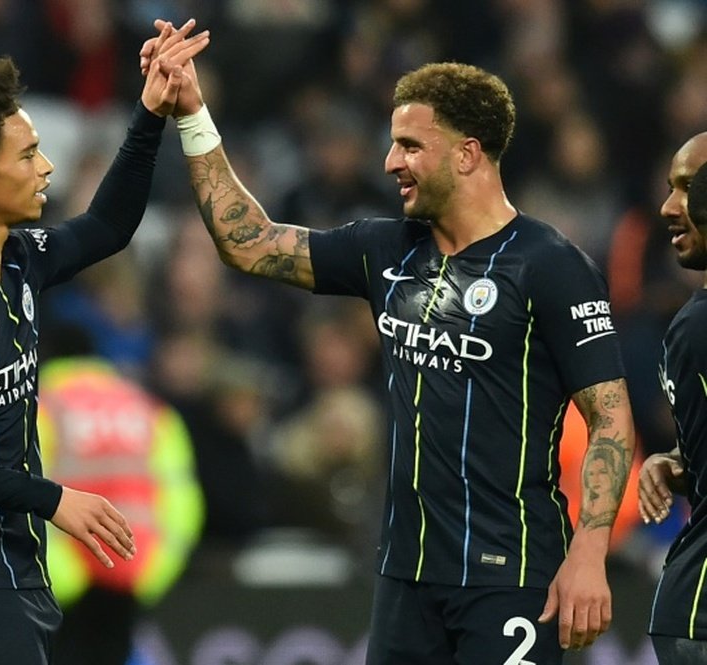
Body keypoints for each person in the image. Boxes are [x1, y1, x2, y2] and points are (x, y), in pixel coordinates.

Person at [142, 30, 636, 663]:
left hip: (509, 576)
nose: (389, 162)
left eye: (409, 146)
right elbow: (250, 242)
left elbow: (611, 416)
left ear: (467, 154)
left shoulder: (551, 266)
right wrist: (192, 115)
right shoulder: (387, 248)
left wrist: (589, 554)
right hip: (405, 576)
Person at [0, 22, 209, 665]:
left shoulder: (21, 261)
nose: (46, 166)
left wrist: (149, 113)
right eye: (27, 154)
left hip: (16, 567)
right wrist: (53, 498)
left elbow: (108, 225)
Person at [37, 324, 204, 665]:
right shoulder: (148, 408)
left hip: (61, 580)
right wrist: (151, 572)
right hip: (131, 567)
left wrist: (59, 576)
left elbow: (24, 488)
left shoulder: (42, 406)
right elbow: (181, 500)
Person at [638, 132, 707, 664]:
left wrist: (681, 462)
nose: (668, 207)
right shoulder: (698, 329)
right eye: (670, 188)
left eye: (687, 188)